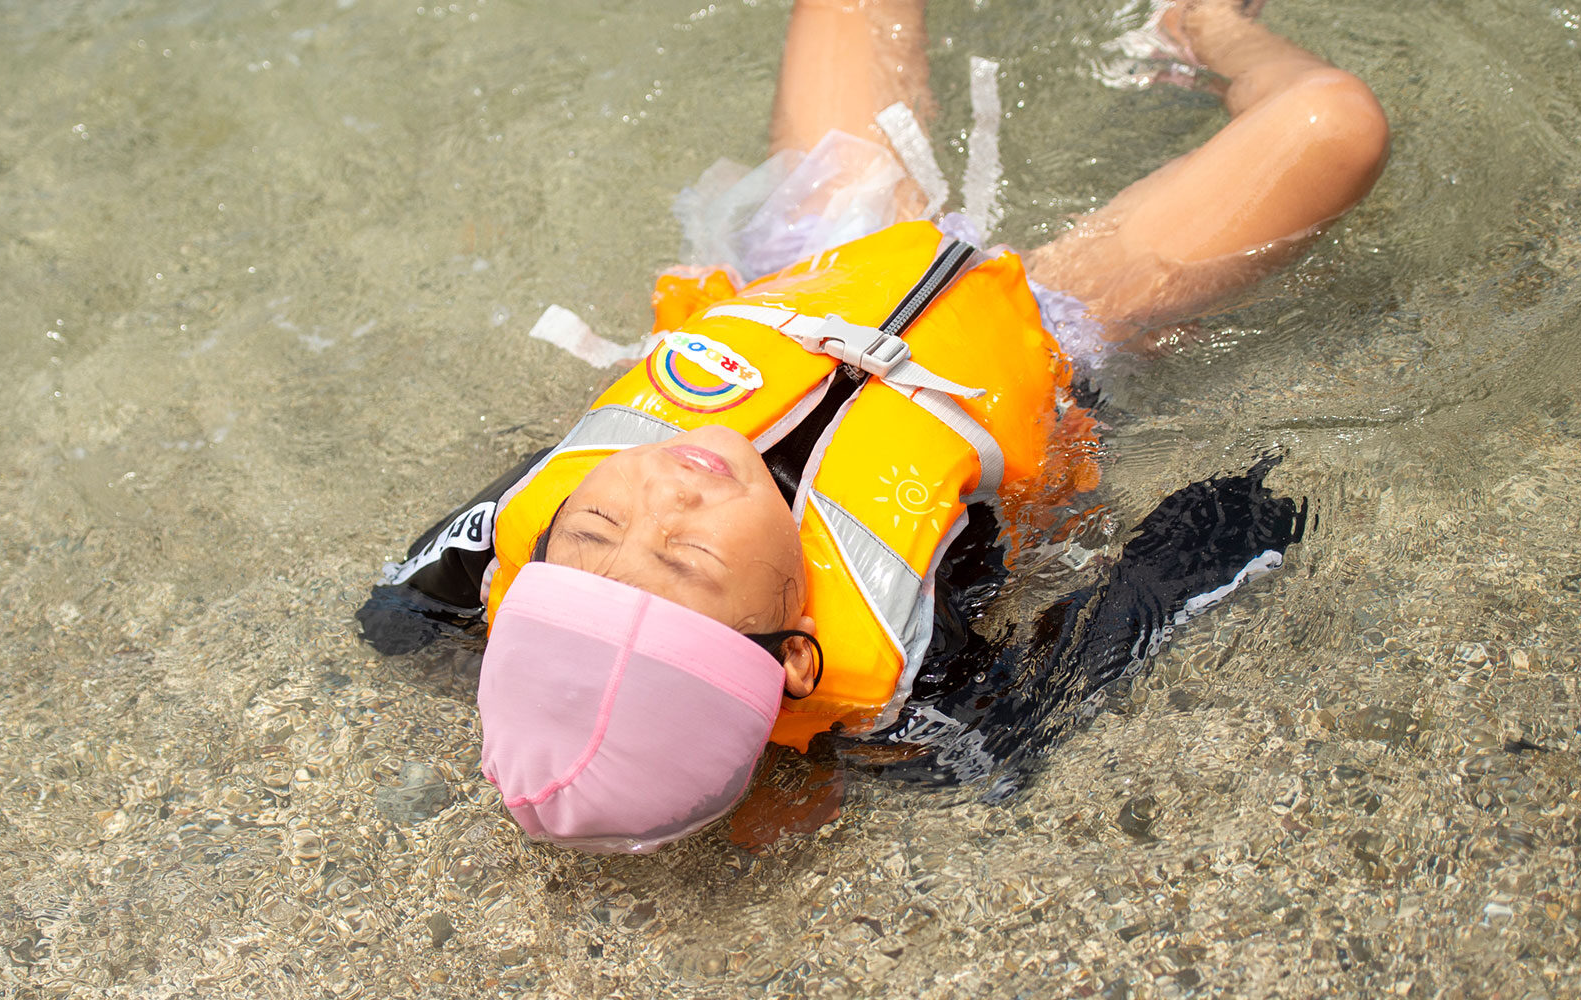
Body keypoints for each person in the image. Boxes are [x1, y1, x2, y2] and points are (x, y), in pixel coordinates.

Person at [358, 0, 1388, 852]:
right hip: (1046, 342)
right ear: (796, 659)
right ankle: (1199, 23)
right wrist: (1231, 524)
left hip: (810, 269)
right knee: (1335, 123)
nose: (657, 488)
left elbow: (402, 614)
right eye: (685, 552)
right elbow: (1083, 658)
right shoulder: (908, 697)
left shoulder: (507, 548)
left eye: (590, 531)